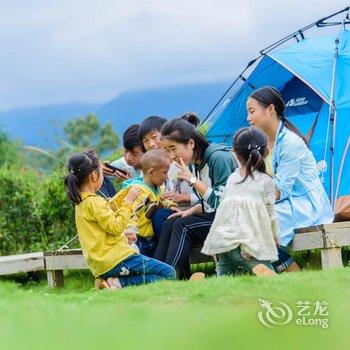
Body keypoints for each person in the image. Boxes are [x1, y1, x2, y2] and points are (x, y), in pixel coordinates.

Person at [247, 86, 334, 272]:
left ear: (270, 109)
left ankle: (289, 269)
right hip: (281, 203)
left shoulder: (290, 143)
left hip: (305, 204)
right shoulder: (259, 144)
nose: (248, 118)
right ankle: (273, 270)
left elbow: (280, 190)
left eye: (252, 111)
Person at [64, 150, 176, 289]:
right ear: (94, 175)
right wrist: (128, 202)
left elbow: (101, 232)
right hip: (117, 259)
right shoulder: (95, 202)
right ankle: (118, 283)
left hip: (101, 265)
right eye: (101, 172)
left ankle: (107, 280)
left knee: (158, 272)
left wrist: (123, 235)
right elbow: (116, 227)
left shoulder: (80, 203)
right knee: (169, 273)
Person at [153, 118, 238, 278]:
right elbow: (207, 201)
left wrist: (192, 180)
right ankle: (156, 277)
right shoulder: (196, 162)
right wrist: (191, 211)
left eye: (173, 149)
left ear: (191, 143)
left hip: (233, 220)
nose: (171, 156)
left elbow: (224, 204)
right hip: (218, 217)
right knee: (171, 222)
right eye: (167, 151)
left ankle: (169, 278)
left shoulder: (218, 158)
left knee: (183, 226)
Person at [202, 127, 278, 276]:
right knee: (269, 279)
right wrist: (274, 237)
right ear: (266, 151)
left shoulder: (232, 178)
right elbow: (271, 215)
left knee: (222, 282)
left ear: (235, 154)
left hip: (224, 242)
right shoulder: (265, 181)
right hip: (246, 245)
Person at [110, 149, 178, 257]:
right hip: (139, 238)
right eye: (164, 172)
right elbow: (132, 213)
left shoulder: (157, 188)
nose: (167, 177)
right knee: (143, 266)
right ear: (151, 172)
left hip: (150, 236)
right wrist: (130, 232)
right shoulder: (139, 192)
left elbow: (161, 199)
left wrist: (171, 205)